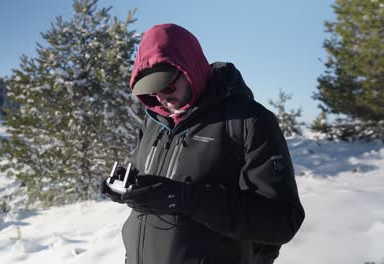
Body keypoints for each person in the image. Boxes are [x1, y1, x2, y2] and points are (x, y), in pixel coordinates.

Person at [101, 23, 305, 264]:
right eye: (152, 92)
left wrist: (185, 198)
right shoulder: (153, 123)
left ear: (190, 69)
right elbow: (151, 189)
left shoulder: (249, 122)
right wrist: (125, 189)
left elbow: (281, 221)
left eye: (167, 85)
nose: (162, 98)